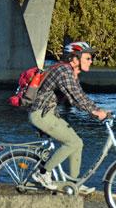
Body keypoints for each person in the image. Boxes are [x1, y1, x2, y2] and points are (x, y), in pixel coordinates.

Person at [29, 41, 108, 193]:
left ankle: (73, 184)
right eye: (88, 58)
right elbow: (77, 97)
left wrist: (96, 111)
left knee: (77, 143)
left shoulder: (70, 73)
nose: (91, 61)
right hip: (41, 115)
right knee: (71, 142)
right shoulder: (64, 72)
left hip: (48, 114)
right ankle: (43, 173)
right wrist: (97, 111)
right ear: (75, 59)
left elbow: (78, 100)